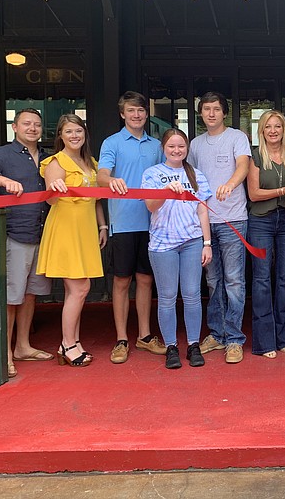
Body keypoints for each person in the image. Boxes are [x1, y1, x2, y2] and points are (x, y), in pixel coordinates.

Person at [0, 108, 53, 379]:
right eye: (26, 124)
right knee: (11, 296)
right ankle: (3, 353)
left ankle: (23, 346)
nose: (32, 128)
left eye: (37, 124)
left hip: (43, 233)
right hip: (16, 233)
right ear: (14, 127)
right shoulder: (2, 154)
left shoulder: (50, 158)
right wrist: (3, 180)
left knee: (30, 293)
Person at [96, 91, 165, 365]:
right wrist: (110, 181)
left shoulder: (156, 145)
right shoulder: (111, 142)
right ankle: (122, 338)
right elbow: (102, 175)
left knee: (146, 280)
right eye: (131, 111)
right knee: (122, 281)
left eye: (140, 110)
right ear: (122, 114)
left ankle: (145, 336)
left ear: (146, 114)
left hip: (153, 221)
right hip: (123, 222)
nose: (136, 115)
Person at [37, 114, 108, 368]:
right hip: (66, 228)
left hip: (86, 228)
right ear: (60, 136)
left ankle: (71, 342)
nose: (74, 136)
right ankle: (68, 344)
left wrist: (102, 225)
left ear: (85, 133)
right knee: (80, 288)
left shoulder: (91, 162)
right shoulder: (56, 162)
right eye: (69, 132)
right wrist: (54, 188)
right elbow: (50, 200)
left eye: (78, 131)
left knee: (75, 290)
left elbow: (97, 199)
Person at [189, 91, 251, 364]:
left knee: (234, 282)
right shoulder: (194, 144)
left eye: (216, 108)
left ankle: (235, 339)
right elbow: (188, 175)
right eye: (206, 109)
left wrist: (231, 183)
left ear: (224, 112)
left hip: (233, 218)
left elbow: (243, 166)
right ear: (201, 113)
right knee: (213, 282)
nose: (211, 113)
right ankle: (217, 334)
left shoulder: (237, 137)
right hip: (204, 222)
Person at [142, 129, 212, 369]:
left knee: (192, 295)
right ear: (163, 148)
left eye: (181, 146)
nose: (176, 150)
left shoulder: (196, 175)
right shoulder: (152, 174)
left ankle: (193, 344)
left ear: (187, 148)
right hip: (163, 244)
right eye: (171, 146)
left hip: (192, 241)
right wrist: (165, 193)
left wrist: (207, 242)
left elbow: (202, 209)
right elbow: (151, 207)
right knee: (167, 296)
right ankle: (171, 346)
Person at [247, 110, 285, 358]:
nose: (273, 131)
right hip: (261, 220)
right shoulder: (255, 156)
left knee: (284, 279)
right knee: (261, 279)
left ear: (284, 130)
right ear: (262, 131)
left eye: (277, 127)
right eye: (268, 127)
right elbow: (254, 194)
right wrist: (282, 190)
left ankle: (283, 337)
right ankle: (264, 342)